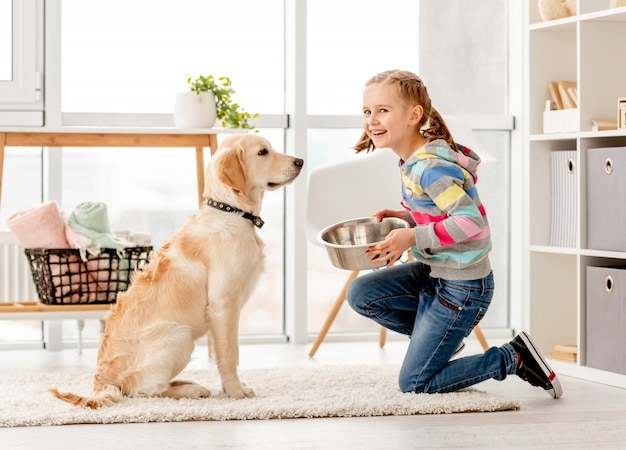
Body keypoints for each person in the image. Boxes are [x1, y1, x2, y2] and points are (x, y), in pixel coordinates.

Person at [346, 69, 562, 398]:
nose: (372, 120)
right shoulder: (412, 161)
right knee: (360, 292)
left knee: (415, 383)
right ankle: (443, 342)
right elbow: (439, 213)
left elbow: (470, 222)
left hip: (463, 288)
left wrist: (412, 237)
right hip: (435, 273)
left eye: (383, 110)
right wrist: (405, 218)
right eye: (367, 111)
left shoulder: (430, 168)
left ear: (413, 115)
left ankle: (513, 356)